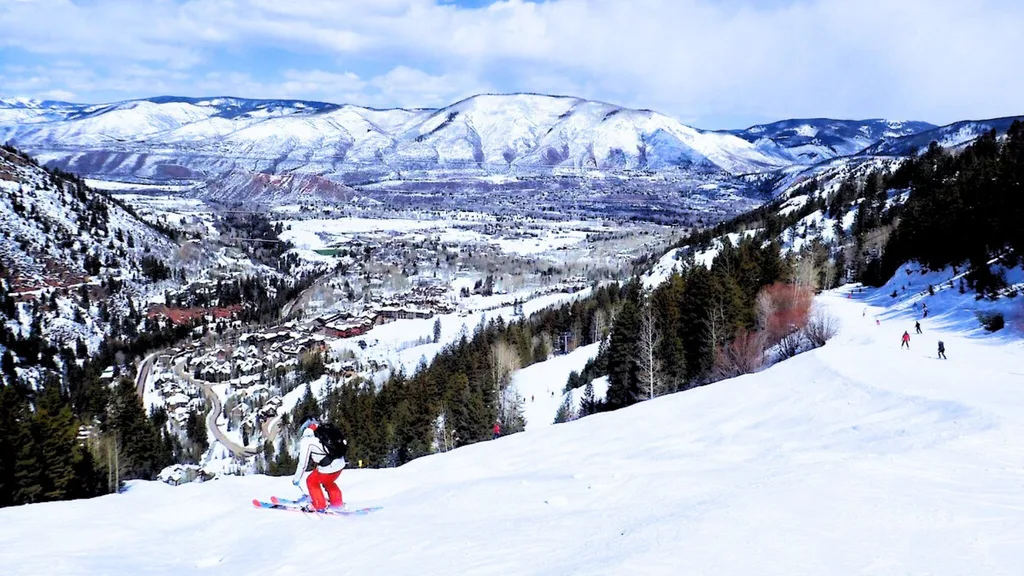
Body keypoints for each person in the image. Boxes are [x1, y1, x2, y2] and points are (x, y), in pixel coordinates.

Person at [293, 420, 347, 512]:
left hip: (329, 468)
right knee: (329, 482)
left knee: (311, 481)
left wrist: (297, 478)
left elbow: (303, 463)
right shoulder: (325, 431)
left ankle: (319, 505)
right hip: (340, 464)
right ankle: (337, 503)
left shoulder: (307, 440)